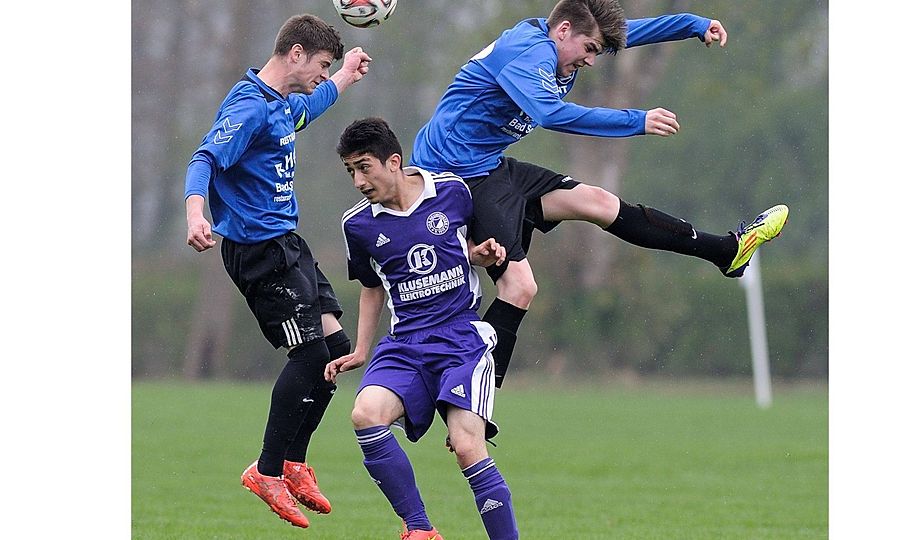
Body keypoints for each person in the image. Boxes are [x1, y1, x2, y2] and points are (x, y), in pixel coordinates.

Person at [410, 0, 789, 388]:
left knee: (598, 202)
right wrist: (636, 120)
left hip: (487, 165)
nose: (591, 60)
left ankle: (726, 251)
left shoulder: (566, 40)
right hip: (451, 177)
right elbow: (550, 114)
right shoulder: (527, 55)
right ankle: (463, 395)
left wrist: (694, 24)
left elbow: (630, 34)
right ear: (563, 31)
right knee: (520, 287)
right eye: (589, 50)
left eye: (596, 50)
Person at [183, 14, 371, 528]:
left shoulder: (281, 105)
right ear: (295, 54)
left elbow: (309, 106)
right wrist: (197, 213)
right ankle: (265, 471)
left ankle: (293, 462)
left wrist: (345, 76)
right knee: (310, 356)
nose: (321, 73)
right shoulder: (247, 107)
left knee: (336, 352)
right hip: (258, 253)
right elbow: (204, 159)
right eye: (322, 64)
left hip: (289, 245)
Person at [327, 117, 519, 540]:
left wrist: (481, 255)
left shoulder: (452, 191)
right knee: (365, 414)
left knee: (468, 448)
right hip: (405, 345)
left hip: (461, 339)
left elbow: (465, 248)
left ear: (393, 161)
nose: (358, 181)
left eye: (364, 167)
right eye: (350, 171)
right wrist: (361, 349)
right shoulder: (357, 225)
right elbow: (372, 286)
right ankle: (420, 530)